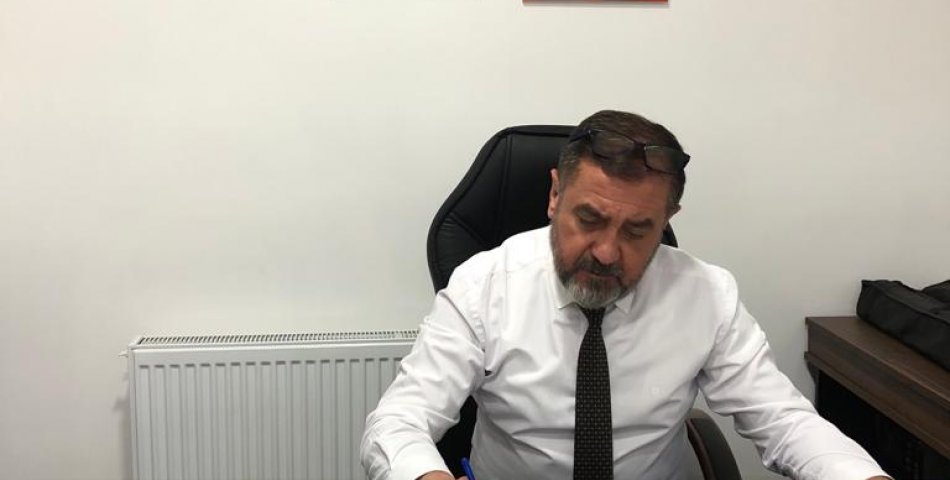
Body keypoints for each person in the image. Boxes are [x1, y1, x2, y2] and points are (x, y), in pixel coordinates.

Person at [360, 110, 889, 480]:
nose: (607, 252)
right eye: (589, 219)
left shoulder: (706, 295)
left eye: (638, 230)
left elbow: (784, 420)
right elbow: (400, 420)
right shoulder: (484, 285)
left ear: (667, 219)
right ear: (554, 194)